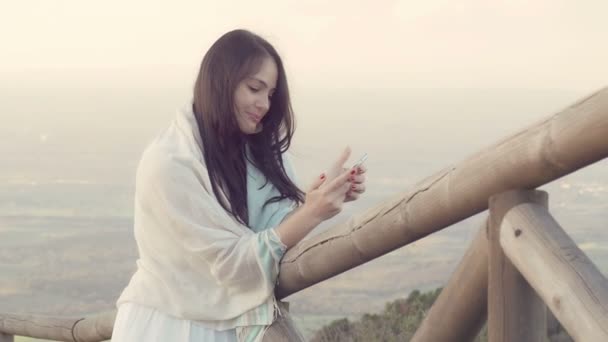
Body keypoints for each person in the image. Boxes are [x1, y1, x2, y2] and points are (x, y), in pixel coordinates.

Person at [111, 29, 367, 342]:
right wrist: (311, 213)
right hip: (168, 327)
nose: (264, 104)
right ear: (220, 82)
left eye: (271, 94)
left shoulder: (260, 155)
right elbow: (230, 264)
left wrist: (315, 201)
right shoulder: (168, 164)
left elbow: (264, 238)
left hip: (235, 328)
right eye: (254, 88)